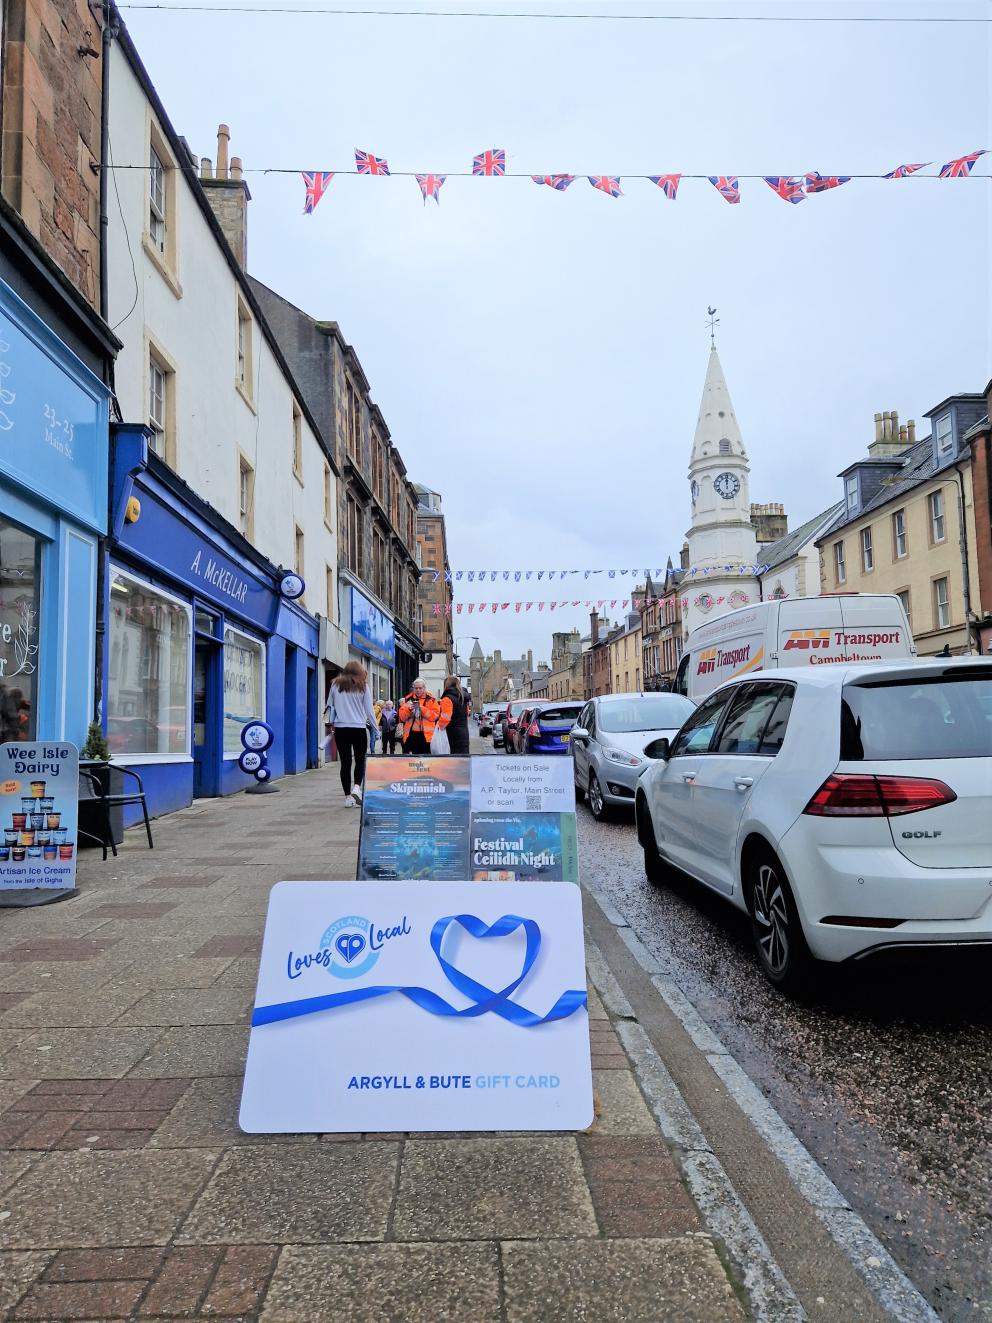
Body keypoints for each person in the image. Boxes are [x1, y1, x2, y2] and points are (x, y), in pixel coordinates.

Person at [325, 661, 377, 806]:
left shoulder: (335, 685)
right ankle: (357, 787)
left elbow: (330, 706)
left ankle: (348, 798)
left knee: (345, 763)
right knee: (360, 760)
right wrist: (376, 729)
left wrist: (330, 725)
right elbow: (369, 711)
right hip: (358, 728)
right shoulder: (363, 686)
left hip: (341, 729)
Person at [397, 679, 441, 755]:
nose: (418, 690)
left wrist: (422, 709)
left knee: (426, 760)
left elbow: (435, 716)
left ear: (424, 688)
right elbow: (402, 717)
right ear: (413, 688)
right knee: (411, 760)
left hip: (427, 736)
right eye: (416, 688)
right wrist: (409, 710)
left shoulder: (431, 699)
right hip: (411, 735)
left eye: (420, 688)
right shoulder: (408, 699)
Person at [438, 675, 471, 757]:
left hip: (452, 735)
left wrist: (439, 727)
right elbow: (466, 715)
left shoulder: (447, 699)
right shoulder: (463, 698)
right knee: (463, 759)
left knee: (453, 760)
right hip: (464, 733)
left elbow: (445, 719)